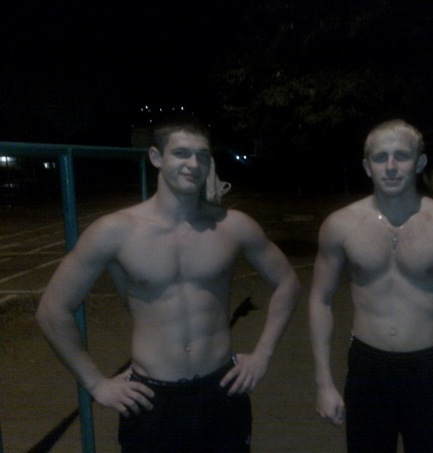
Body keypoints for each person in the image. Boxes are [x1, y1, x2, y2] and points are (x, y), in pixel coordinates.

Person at [36, 114, 300, 452]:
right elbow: (52, 309)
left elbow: (287, 282)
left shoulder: (233, 225)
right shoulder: (115, 231)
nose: (193, 164)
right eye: (181, 153)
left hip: (221, 389)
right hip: (151, 399)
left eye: (202, 155)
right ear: (156, 157)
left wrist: (262, 354)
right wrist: (96, 383)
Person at [309, 119, 433, 452]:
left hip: (429, 370)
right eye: (381, 158)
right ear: (368, 166)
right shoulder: (340, 225)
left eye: (401, 156)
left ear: (420, 162)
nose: (391, 167)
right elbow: (320, 300)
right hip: (367, 369)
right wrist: (323, 382)